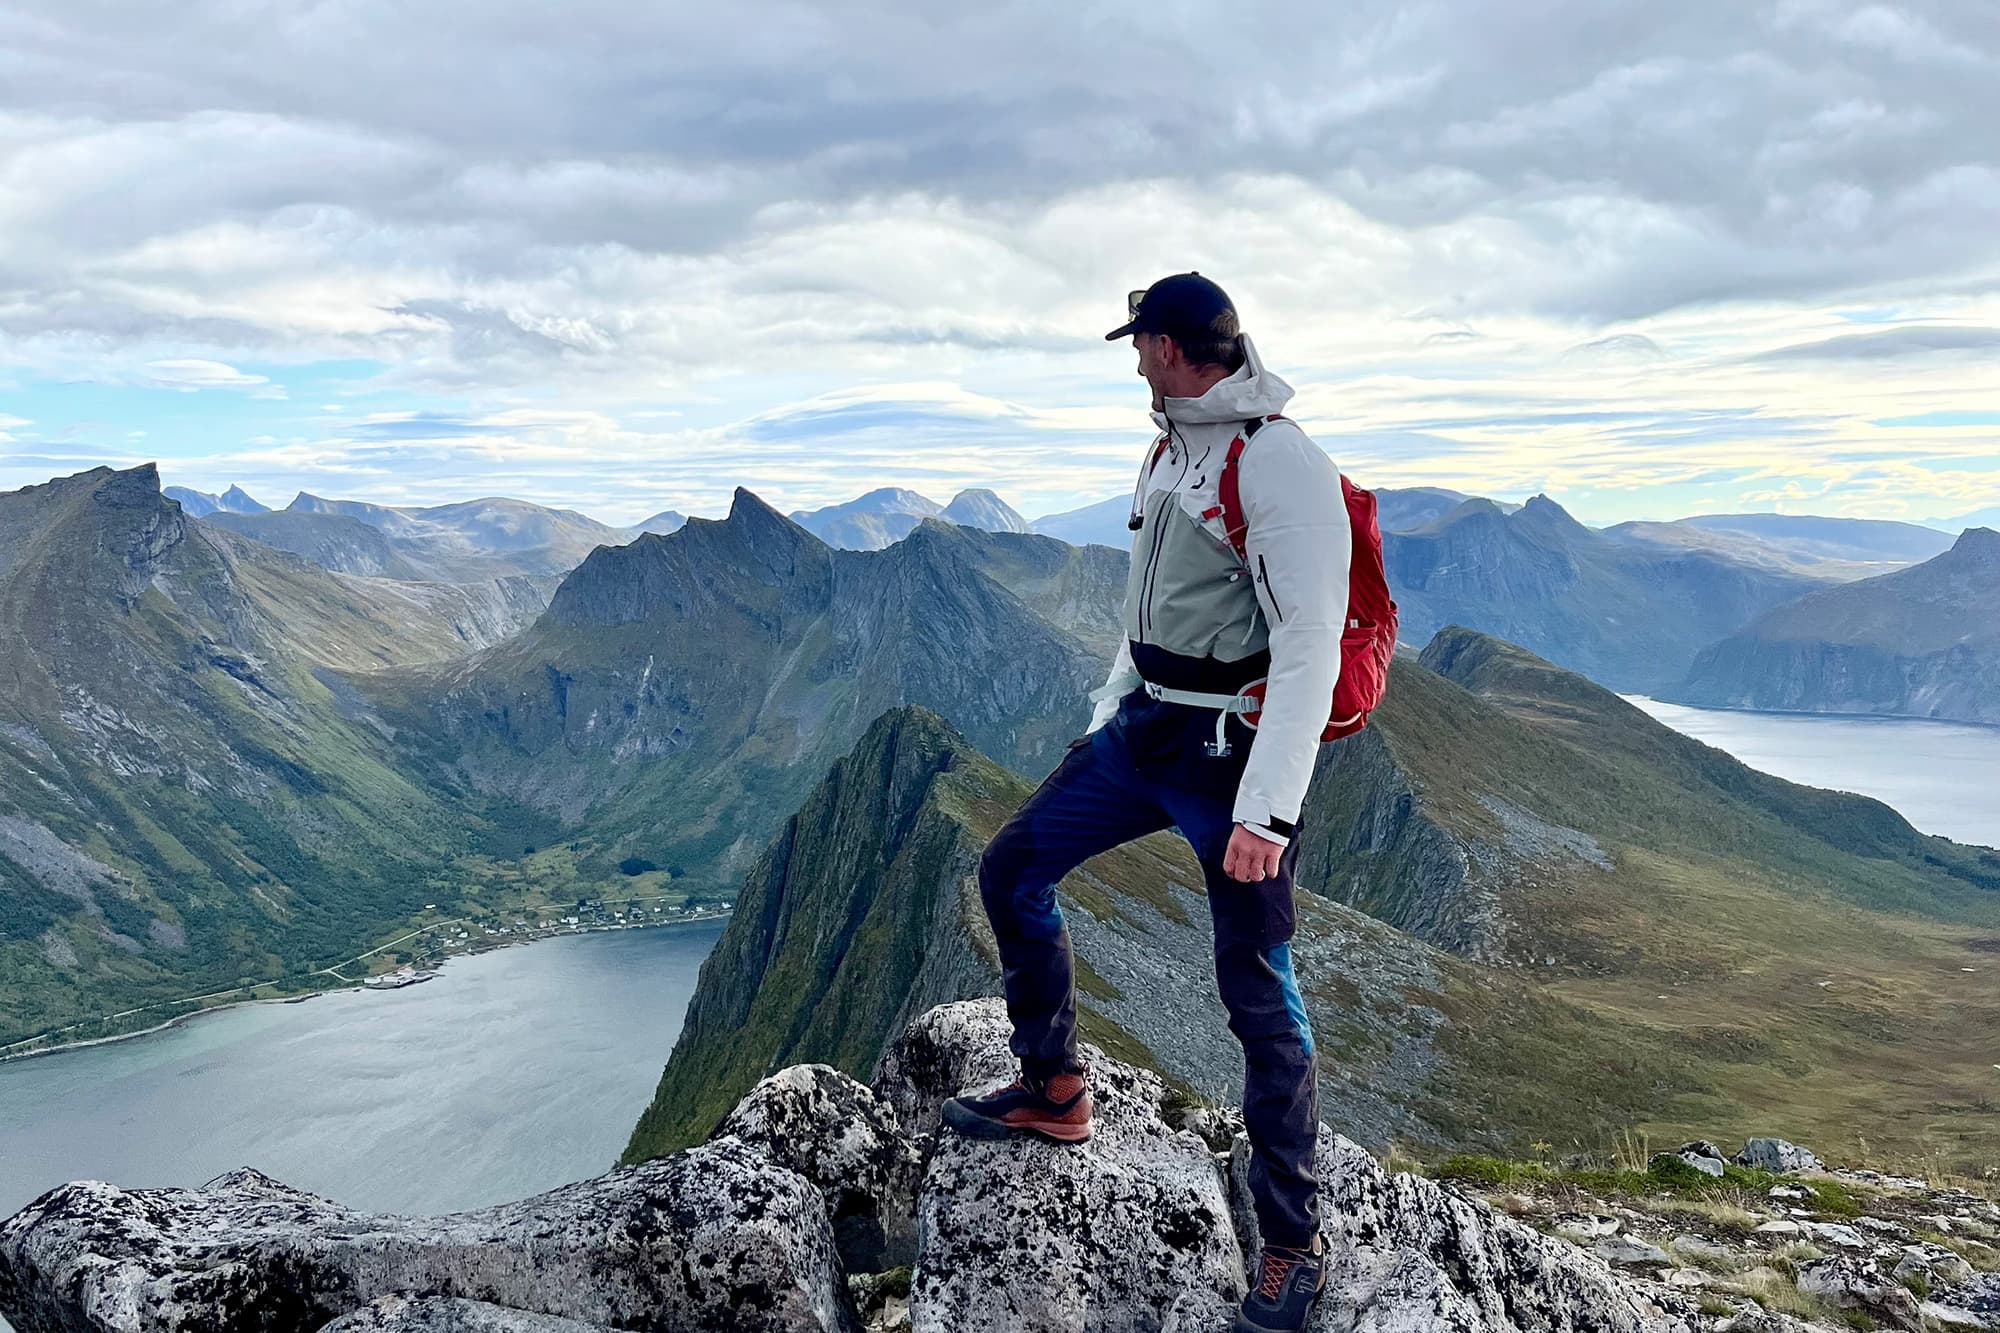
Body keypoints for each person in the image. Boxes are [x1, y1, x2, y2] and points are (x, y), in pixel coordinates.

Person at [941, 273, 1352, 1333]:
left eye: (1138, 344)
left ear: (1169, 347)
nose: (1132, 361)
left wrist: (1267, 812)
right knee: (1012, 867)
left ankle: (1293, 1243)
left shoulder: (1277, 462)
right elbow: (1146, 611)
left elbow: (1309, 643)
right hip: (1145, 732)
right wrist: (1105, 715)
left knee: (1257, 990)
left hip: (1229, 757)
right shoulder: (1172, 448)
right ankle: (1053, 1088)